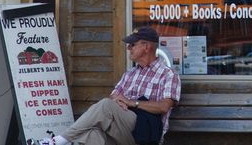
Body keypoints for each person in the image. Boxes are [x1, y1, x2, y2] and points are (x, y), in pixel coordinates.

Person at [44, 27, 181, 145]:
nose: (128, 48)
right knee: (92, 133)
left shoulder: (168, 74)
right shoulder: (130, 73)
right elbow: (113, 96)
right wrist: (119, 101)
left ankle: (58, 141)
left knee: (105, 105)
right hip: (122, 128)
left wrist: (132, 103)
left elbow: (164, 106)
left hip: (145, 132)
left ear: (147, 47)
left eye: (132, 44)